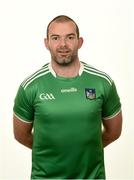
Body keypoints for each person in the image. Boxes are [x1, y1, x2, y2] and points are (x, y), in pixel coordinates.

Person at [13, 15, 122, 179]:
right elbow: (21, 135)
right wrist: (55, 152)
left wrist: (87, 150)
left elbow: (113, 132)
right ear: (46, 43)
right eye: (55, 38)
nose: (63, 44)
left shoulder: (102, 82)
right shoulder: (30, 86)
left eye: (70, 37)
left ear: (80, 41)